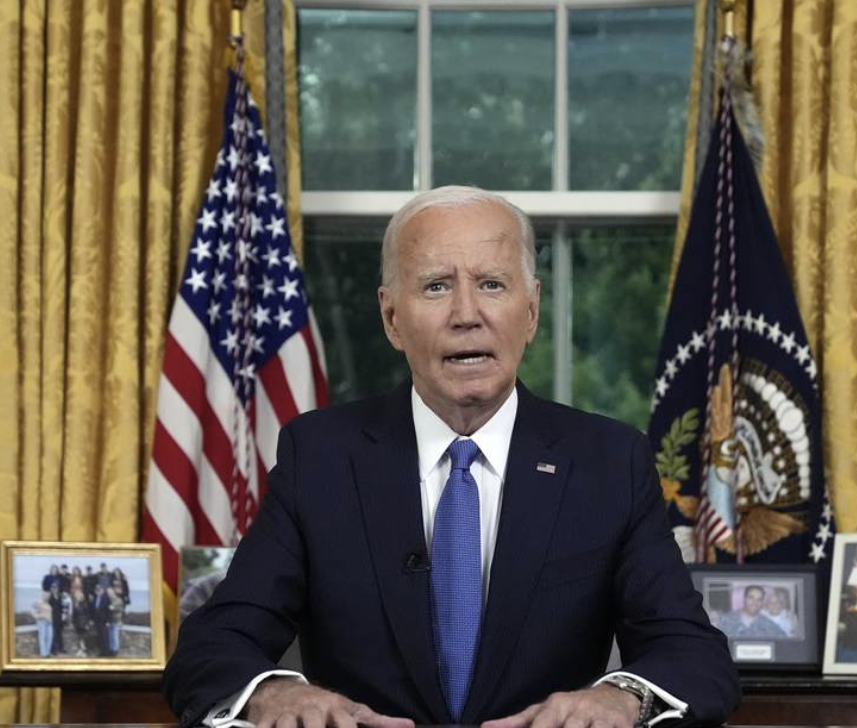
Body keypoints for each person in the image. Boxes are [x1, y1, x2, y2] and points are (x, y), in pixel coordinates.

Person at [164, 187, 740, 728]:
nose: (467, 313)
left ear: (531, 311)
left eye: (492, 284)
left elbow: (691, 652)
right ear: (392, 318)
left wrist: (623, 698)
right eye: (436, 286)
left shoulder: (610, 462)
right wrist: (272, 693)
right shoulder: (319, 457)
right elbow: (216, 643)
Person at [717, 586, 785, 639]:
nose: (755, 603)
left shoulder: (769, 625)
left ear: (762, 603)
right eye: (751, 598)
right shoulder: (726, 620)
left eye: (759, 599)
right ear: (744, 599)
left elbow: (785, 644)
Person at [31, 592, 53, 658]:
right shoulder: (38, 602)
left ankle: (48, 652)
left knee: (49, 637)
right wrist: (37, 616)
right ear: (43, 595)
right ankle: (44, 654)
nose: (47, 597)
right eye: (46, 595)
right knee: (42, 637)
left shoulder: (48, 603)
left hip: (49, 623)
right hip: (41, 622)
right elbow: (32, 609)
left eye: (48, 596)